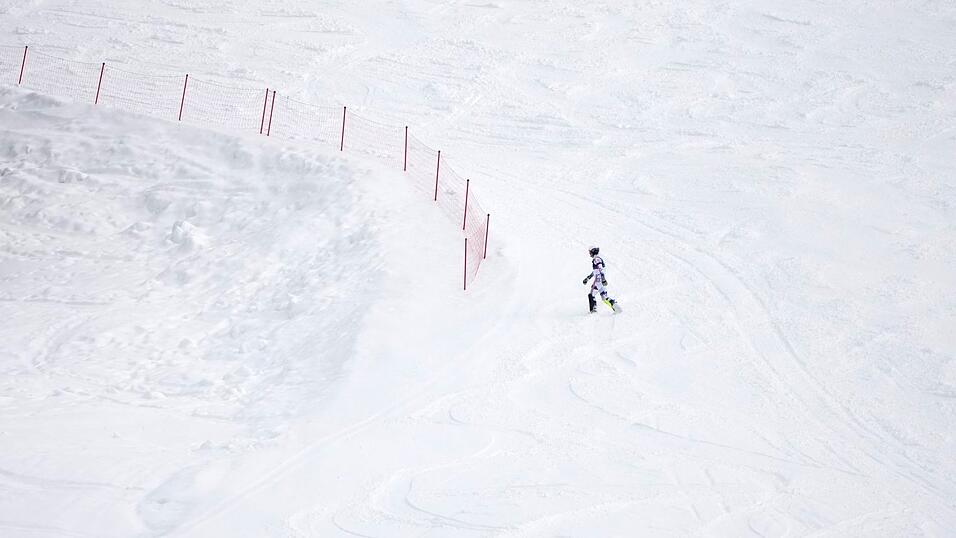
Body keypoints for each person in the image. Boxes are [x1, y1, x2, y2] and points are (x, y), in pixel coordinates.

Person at [582, 246, 619, 313]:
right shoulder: (597, 259)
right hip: (601, 281)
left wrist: (603, 279)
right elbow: (595, 271)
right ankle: (616, 307)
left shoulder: (597, 259)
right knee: (604, 298)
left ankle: (593, 310)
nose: (589, 254)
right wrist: (588, 278)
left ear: (593, 252)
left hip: (598, 281)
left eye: (590, 252)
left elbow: (600, 269)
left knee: (591, 294)